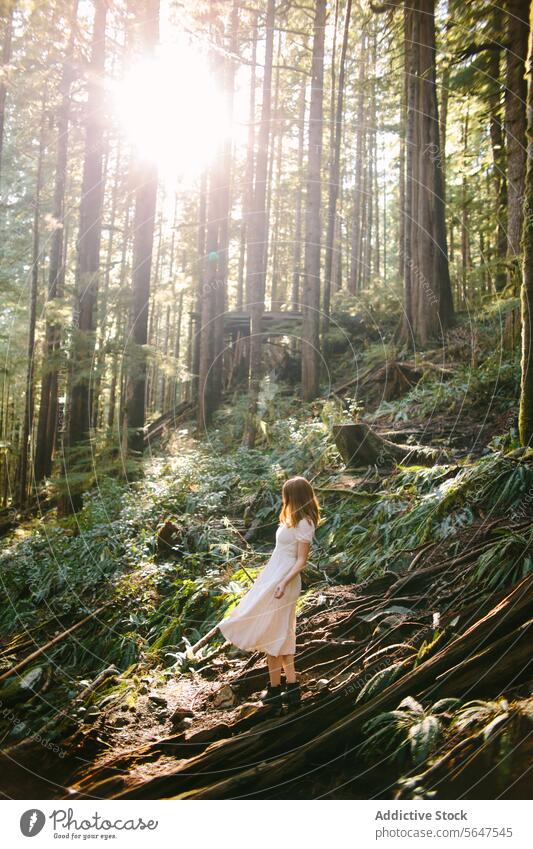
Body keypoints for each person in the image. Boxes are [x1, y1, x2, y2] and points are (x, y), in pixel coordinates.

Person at [217, 475, 320, 713]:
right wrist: (266, 580)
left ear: (295, 496)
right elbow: (278, 554)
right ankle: (285, 689)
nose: (283, 498)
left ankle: (280, 690)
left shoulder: (304, 522)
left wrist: (283, 582)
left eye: (286, 494)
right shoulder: (290, 520)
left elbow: (302, 561)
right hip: (274, 579)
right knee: (278, 634)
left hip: (285, 582)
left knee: (277, 633)